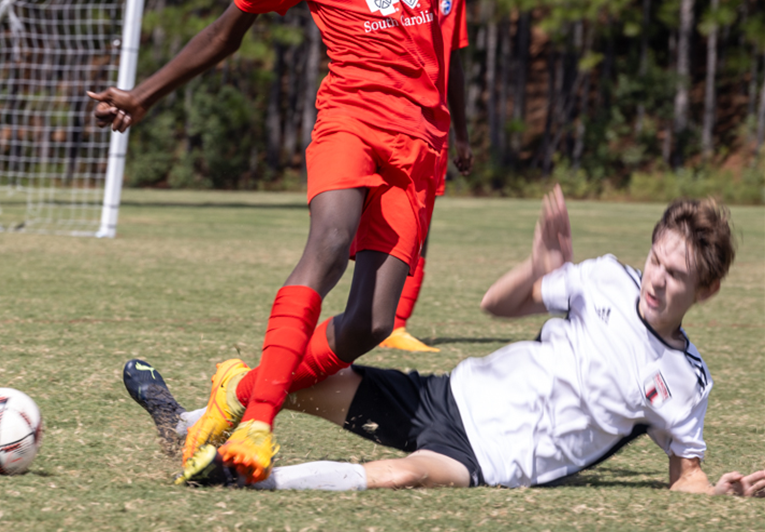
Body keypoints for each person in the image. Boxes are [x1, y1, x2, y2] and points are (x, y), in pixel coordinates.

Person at [123, 187, 765, 496]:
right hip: (448, 397)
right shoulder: (602, 278)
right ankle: (182, 422)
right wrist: (537, 267)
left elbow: (687, 475)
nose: (657, 278)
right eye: (658, 259)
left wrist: (721, 492)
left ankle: (243, 481)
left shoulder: (686, 381)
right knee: (295, 381)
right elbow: (497, 305)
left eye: (677, 274)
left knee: (400, 477)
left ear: (704, 291)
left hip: (487, 461)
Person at [90, 0, 468, 484]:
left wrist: (458, 128)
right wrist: (144, 96)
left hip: (419, 144)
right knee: (328, 247)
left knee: (371, 323)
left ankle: (237, 392)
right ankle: (256, 423)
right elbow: (226, 30)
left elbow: (451, 49)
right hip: (351, 119)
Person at [380, 5, 473, 353]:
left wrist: (462, 134)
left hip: (431, 123)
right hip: (377, 111)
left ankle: (395, 324)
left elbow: (453, 61)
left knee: (419, 223)